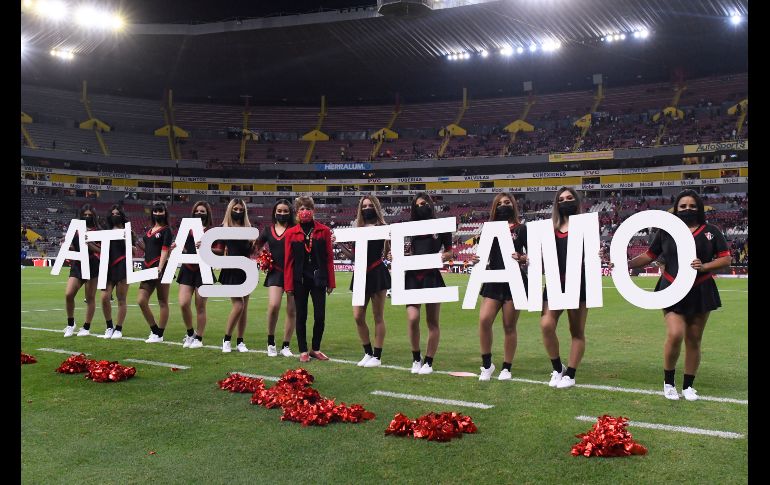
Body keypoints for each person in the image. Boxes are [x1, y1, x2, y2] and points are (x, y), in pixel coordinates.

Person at [625, 189, 731, 401]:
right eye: (683, 206)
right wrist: (624, 264)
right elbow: (649, 255)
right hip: (671, 288)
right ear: (675, 208)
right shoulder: (666, 231)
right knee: (675, 334)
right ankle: (669, 383)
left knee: (694, 340)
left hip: (701, 289)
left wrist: (705, 266)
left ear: (699, 208)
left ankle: (688, 386)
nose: (687, 209)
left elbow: (726, 259)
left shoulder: (711, 231)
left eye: (692, 206)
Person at [470, 193, 528, 381]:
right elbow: (482, 255)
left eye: (507, 202)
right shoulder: (489, 230)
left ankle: (506, 367)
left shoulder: (521, 229)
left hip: (514, 281)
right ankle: (487, 364)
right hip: (493, 279)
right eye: (500, 203)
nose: (504, 205)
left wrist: (522, 258)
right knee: (484, 320)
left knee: (509, 326)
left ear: (513, 205)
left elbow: (531, 256)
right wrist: (475, 259)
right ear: (495, 208)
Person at [335, 195, 391, 368]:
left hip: (377, 272)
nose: (367, 209)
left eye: (370, 205)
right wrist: (338, 244)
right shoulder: (357, 229)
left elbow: (388, 252)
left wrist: (391, 253)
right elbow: (353, 256)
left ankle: (377, 356)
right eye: (364, 206)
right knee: (358, 316)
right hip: (360, 274)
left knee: (378, 316)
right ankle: (368, 352)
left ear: (376, 207)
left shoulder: (383, 228)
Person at [540, 187, 587, 389]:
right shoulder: (549, 229)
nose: (565, 202)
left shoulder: (586, 228)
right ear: (556, 204)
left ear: (576, 201)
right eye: (561, 199)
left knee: (576, 331)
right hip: (554, 283)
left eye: (569, 198)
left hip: (578, 283)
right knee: (546, 324)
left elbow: (592, 255)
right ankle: (558, 368)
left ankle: (571, 374)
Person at [404, 192, 453, 375]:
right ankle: (416, 358)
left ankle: (429, 362)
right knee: (412, 318)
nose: (420, 207)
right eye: (417, 205)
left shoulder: (441, 226)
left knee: (432, 321)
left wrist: (443, 256)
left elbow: (450, 252)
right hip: (412, 276)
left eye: (423, 204)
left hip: (432, 276)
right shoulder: (410, 227)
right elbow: (409, 251)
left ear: (430, 205)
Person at [284, 196, 335, 363]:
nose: (305, 212)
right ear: (297, 212)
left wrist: (331, 282)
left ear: (313, 211)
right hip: (299, 280)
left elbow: (329, 258)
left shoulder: (324, 231)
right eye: (301, 209)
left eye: (308, 208)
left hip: (319, 279)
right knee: (301, 316)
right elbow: (288, 261)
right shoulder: (291, 233)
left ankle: (316, 349)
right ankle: (303, 350)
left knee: (320, 316)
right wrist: (288, 285)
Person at [255, 199, 296, 357]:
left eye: (285, 211)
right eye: (279, 211)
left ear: (290, 213)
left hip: (293, 273)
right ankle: (271, 342)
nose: (282, 213)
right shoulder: (267, 230)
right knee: (273, 305)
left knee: (291, 310)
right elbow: (257, 246)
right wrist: (263, 257)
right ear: (274, 212)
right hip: (276, 272)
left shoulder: (295, 229)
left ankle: (286, 345)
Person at [216, 198, 256, 353]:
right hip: (231, 269)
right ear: (230, 210)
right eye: (235, 209)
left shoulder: (248, 229)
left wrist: (257, 246)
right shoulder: (223, 228)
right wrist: (205, 246)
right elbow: (219, 250)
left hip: (246, 271)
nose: (238, 212)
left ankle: (240, 342)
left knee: (244, 308)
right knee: (238, 305)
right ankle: (226, 340)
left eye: (241, 209)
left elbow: (251, 250)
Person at [176, 201, 218, 349]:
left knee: (200, 306)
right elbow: (182, 247)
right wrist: (177, 247)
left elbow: (219, 251)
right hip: (187, 268)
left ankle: (199, 338)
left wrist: (207, 247)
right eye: (197, 211)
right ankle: (190, 333)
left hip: (203, 270)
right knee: (183, 303)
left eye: (202, 211)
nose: (199, 213)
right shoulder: (187, 229)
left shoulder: (212, 231)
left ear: (207, 214)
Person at [137, 202, 174, 343]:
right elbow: (149, 249)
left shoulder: (167, 230)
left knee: (162, 301)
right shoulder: (149, 231)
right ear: (152, 213)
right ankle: (154, 330)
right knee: (141, 300)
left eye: (161, 211)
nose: (158, 213)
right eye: (156, 211)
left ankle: (160, 334)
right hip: (147, 268)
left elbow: (164, 250)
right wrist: (137, 242)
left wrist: (160, 267)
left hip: (161, 268)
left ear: (165, 213)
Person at [63, 204, 101, 337]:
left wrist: (89, 244)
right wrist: (68, 247)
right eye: (85, 215)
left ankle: (86, 327)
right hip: (78, 265)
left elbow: (102, 250)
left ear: (94, 216)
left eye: (90, 215)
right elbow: (73, 247)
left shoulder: (99, 231)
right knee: (69, 294)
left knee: (90, 298)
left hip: (93, 265)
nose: (87, 217)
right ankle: (70, 324)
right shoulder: (75, 230)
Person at [100, 205, 136, 340]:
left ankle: (118, 329)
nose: (115, 216)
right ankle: (109, 326)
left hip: (123, 265)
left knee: (121, 299)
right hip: (108, 267)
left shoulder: (128, 231)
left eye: (117, 213)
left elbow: (134, 250)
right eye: (113, 213)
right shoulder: (106, 231)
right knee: (104, 297)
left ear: (122, 215)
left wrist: (129, 243)